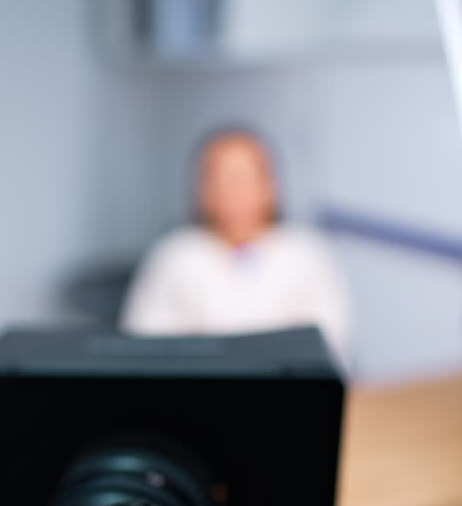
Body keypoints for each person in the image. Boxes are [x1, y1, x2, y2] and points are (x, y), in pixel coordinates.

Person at [118, 127, 352, 369]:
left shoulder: (308, 254)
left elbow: (330, 350)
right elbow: (142, 350)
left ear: (270, 185)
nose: (228, 190)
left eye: (240, 177)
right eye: (215, 178)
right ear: (201, 190)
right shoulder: (174, 255)